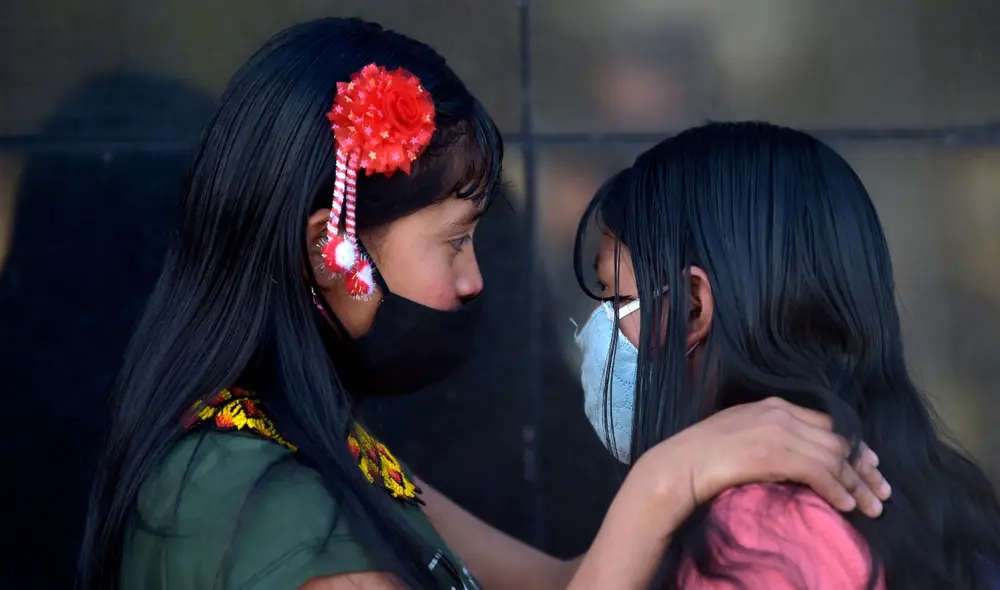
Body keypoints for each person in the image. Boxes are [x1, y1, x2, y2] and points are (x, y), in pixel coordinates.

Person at [77, 20, 890, 590]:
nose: (474, 281)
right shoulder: (260, 503)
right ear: (334, 250)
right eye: (455, 241)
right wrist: (667, 477)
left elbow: (564, 582)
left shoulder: (329, 453)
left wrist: (707, 460)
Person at [573, 121, 1000, 589]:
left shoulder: (751, 542)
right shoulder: (930, 493)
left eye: (613, 296)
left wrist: (662, 479)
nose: (594, 326)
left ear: (692, 307)